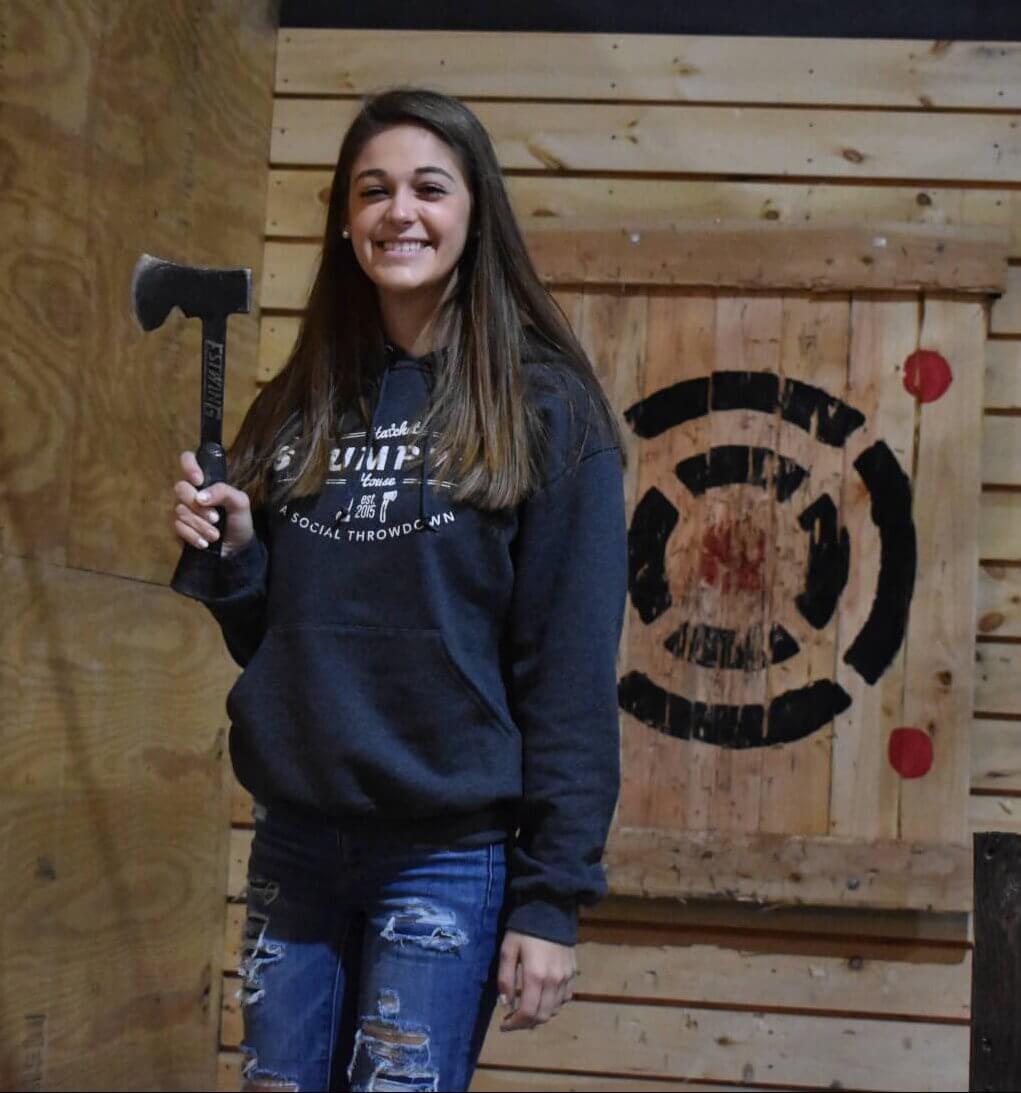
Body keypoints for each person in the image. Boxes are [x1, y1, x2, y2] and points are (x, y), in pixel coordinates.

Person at [169, 86, 627, 1092]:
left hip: (445, 857)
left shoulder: (546, 410)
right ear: (345, 217)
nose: (398, 212)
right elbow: (277, 642)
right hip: (295, 836)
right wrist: (239, 557)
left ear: (474, 209)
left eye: (428, 187)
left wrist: (552, 900)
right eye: (372, 190)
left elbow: (570, 673)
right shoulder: (299, 402)